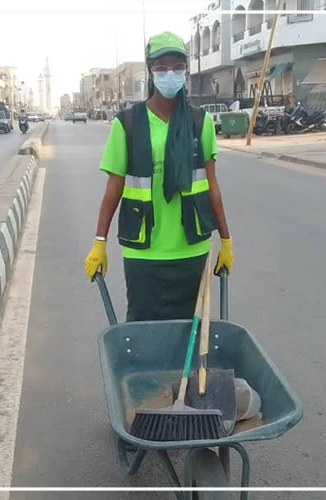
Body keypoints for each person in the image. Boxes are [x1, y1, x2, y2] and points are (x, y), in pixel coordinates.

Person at [83, 31, 234, 322]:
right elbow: (113, 189)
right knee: (143, 338)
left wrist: (226, 241)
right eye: (162, 66)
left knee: (188, 341)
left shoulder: (200, 122)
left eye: (177, 66)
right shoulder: (127, 123)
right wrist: (99, 242)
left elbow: (211, 186)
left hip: (192, 250)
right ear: (151, 71)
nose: (170, 73)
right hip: (144, 254)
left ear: (185, 71)